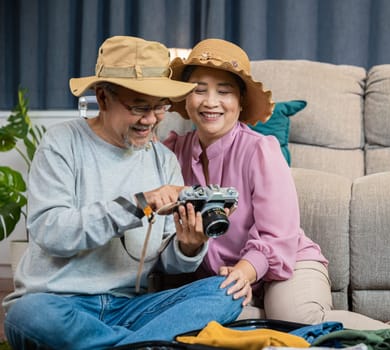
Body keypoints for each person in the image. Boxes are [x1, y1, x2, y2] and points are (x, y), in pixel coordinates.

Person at [162, 38, 390, 350]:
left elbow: (279, 234)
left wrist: (246, 269)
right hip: (223, 278)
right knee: (212, 325)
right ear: (185, 97)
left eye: (224, 91)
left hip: (284, 261)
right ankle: (269, 324)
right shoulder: (171, 152)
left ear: (240, 102)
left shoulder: (260, 150)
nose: (210, 101)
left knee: (296, 316)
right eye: (199, 89)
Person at [2, 36, 247, 350]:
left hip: (128, 309)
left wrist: (189, 246)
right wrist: (139, 205)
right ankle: (143, 346)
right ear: (103, 98)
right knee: (27, 316)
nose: (151, 120)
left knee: (225, 291)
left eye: (160, 108)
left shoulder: (163, 159)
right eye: (139, 107)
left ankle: (122, 346)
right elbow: (52, 234)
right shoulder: (61, 143)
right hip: (60, 304)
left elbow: (168, 263)